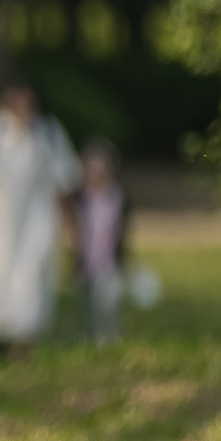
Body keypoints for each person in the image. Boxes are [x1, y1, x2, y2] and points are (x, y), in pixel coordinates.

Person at [0, 79, 79, 357]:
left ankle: (24, 346)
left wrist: (72, 228)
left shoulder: (48, 133)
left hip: (37, 223)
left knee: (31, 280)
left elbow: (63, 184)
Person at [67, 137, 129, 346]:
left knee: (108, 306)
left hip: (109, 263)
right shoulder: (78, 198)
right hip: (85, 264)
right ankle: (86, 340)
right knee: (86, 308)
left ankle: (110, 340)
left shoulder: (117, 197)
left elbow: (122, 232)